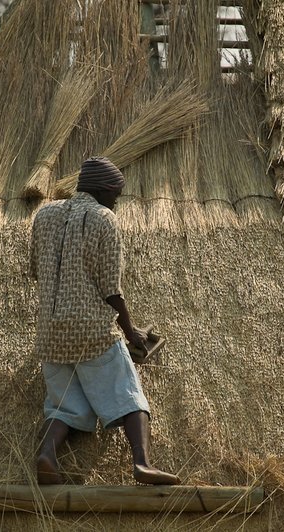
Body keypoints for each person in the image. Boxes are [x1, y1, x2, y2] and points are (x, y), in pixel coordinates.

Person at [28, 156, 180, 486]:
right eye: (117, 194)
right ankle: (142, 463)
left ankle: (46, 456)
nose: (117, 201)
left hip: (50, 336)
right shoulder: (103, 219)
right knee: (128, 396)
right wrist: (131, 332)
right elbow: (111, 289)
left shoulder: (44, 215)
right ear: (105, 190)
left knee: (64, 407)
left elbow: (36, 271)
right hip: (92, 332)